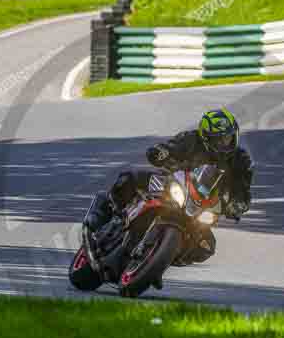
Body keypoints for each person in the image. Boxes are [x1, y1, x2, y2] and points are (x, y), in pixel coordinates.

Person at [85, 109, 254, 268]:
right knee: (131, 177)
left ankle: (162, 258)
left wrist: (238, 205)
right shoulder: (191, 139)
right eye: (219, 139)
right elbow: (172, 147)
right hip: (174, 185)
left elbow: (243, 191)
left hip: (201, 206)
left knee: (207, 246)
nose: (224, 143)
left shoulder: (241, 160)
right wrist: (162, 152)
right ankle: (103, 214)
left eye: (228, 138)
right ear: (206, 137)